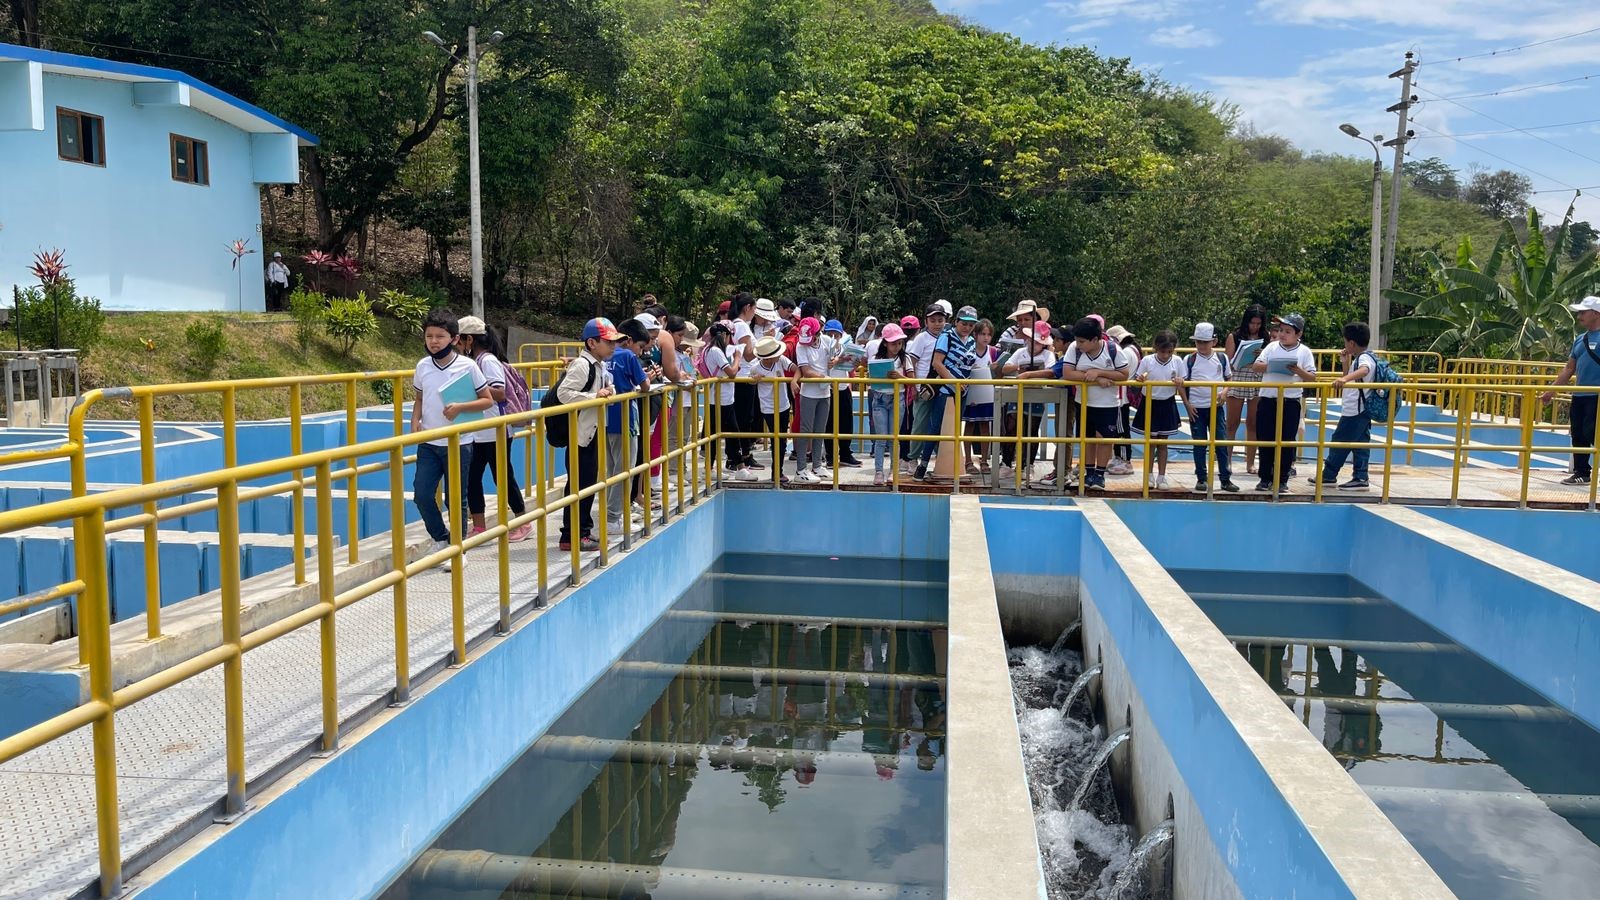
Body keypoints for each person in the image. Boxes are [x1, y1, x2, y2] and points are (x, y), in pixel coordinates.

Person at [411, 310, 495, 562]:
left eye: (440, 336)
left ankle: (457, 548)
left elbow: (486, 400)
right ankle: (441, 538)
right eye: (429, 336)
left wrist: (460, 407)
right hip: (429, 441)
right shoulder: (423, 366)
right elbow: (419, 397)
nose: (433, 341)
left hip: (459, 442)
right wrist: (415, 421)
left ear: (454, 339)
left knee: (455, 498)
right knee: (422, 494)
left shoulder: (467, 366)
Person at [454, 316, 532, 542]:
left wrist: (469, 391)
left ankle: (522, 522)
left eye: (460, 342)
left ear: (469, 340)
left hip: (494, 430)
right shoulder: (476, 361)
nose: (458, 347)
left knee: (503, 476)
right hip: (479, 430)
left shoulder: (487, 361)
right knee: (472, 477)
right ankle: (479, 526)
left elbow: (499, 392)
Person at [555, 318, 620, 551]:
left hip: (590, 432)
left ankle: (581, 531)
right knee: (579, 485)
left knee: (587, 483)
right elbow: (564, 394)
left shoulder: (598, 365)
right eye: (608, 342)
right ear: (592, 342)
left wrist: (606, 390)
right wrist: (595, 397)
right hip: (580, 435)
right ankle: (572, 535)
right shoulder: (583, 365)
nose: (613, 346)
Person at [1058, 317, 1131, 490]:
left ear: (1096, 340)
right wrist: (1097, 378)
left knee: (1104, 439)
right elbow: (1068, 373)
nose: (1078, 344)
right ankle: (1089, 472)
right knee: (1087, 438)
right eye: (1077, 340)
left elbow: (1123, 374)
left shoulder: (1113, 350)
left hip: (1108, 404)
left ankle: (1100, 474)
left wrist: (1098, 372)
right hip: (1084, 402)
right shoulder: (1074, 350)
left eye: (1082, 341)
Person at [1251, 313, 1316, 492]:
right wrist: (1272, 366)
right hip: (1268, 399)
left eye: (1288, 331)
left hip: (1290, 401)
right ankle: (1265, 478)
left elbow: (1311, 377)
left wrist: (1297, 370)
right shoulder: (1271, 348)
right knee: (1265, 439)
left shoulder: (1304, 352)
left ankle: (1282, 479)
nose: (1282, 334)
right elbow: (1256, 366)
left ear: (1298, 334)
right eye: (1281, 330)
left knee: (1286, 441)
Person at [1310, 322, 1378, 492]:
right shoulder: (1363, 357)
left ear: (1352, 343)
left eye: (1346, 342)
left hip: (1355, 410)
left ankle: (1329, 475)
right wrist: (1345, 363)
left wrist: (1344, 379)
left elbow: (1363, 371)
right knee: (1360, 445)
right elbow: (1352, 377)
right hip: (1360, 409)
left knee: (1339, 442)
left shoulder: (1364, 359)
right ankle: (1361, 477)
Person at [914, 305, 977, 481]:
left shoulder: (971, 341)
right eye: (964, 323)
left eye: (971, 325)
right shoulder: (946, 337)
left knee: (956, 428)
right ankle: (923, 465)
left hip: (963, 391)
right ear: (956, 322)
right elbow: (937, 363)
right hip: (945, 390)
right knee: (935, 428)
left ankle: (952, 464)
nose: (967, 327)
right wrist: (953, 382)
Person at [1543, 296, 1600, 485]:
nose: (1579, 316)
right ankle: (1582, 472)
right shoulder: (1580, 339)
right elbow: (1569, 368)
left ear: (1596, 314)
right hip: (1580, 395)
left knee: (1592, 432)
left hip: (1597, 396)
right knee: (1578, 434)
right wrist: (1551, 391)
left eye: (1583, 312)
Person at [1177, 322, 1238, 492]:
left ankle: (1225, 479)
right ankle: (1201, 478)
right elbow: (1181, 384)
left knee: (1221, 443)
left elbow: (1229, 379)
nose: (1202, 345)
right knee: (1200, 444)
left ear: (1214, 341)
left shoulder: (1221, 358)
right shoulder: (1189, 359)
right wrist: (1188, 405)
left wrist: (1225, 392)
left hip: (1216, 407)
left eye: (1205, 342)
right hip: (1197, 408)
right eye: (1198, 342)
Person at [604, 319, 652, 531]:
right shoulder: (628, 356)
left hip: (603, 419)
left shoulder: (603, 356)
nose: (640, 352)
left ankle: (615, 513)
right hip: (625, 420)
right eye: (641, 347)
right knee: (625, 470)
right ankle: (613, 518)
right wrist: (647, 378)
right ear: (629, 340)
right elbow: (645, 385)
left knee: (611, 469)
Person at [999, 320, 1058, 481]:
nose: (1034, 345)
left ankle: (1027, 465)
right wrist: (1020, 368)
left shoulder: (1048, 355)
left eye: (1038, 342)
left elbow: (1051, 372)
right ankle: (1006, 462)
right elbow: (1005, 367)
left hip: (1037, 395)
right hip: (1018, 394)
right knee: (1011, 426)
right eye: (1032, 340)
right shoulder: (1020, 352)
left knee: (1031, 430)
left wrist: (1033, 374)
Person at [1133, 330, 1183, 490]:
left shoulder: (1177, 361)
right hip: (1150, 403)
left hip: (1167, 403)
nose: (1166, 355)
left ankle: (1162, 476)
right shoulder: (1147, 360)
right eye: (1162, 351)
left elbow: (1183, 380)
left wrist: (1180, 381)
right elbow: (1138, 378)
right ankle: (1148, 475)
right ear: (1156, 348)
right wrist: (1140, 379)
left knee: (1163, 443)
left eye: (1169, 351)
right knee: (1150, 443)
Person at [864, 323, 912, 485]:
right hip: (879, 399)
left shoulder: (905, 358)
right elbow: (871, 379)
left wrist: (899, 378)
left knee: (894, 438)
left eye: (899, 343)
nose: (897, 346)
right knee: (881, 438)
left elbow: (913, 381)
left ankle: (893, 470)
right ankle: (879, 472)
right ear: (885, 343)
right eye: (894, 343)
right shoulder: (876, 359)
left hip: (897, 399)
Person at [906, 301, 950, 475]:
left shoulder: (947, 337)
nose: (937, 324)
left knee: (940, 423)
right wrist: (915, 385)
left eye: (940, 320)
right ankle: (912, 458)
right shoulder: (922, 338)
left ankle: (942, 458)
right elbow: (912, 362)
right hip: (925, 386)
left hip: (943, 386)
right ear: (926, 322)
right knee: (920, 423)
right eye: (933, 320)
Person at [701, 322, 749, 481]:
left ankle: (711, 467)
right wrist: (737, 358)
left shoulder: (708, 349)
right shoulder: (715, 351)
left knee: (716, 434)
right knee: (732, 433)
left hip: (720, 398)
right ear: (723, 335)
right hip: (721, 399)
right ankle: (740, 468)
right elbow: (732, 373)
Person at [751, 336, 802, 482]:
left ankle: (777, 471)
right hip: (768, 408)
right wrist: (755, 379)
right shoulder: (756, 367)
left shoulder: (781, 361)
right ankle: (776, 472)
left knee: (782, 439)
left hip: (783, 405)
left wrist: (793, 380)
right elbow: (750, 381)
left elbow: (796, 369)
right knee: (776, 438)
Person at [1226, 305, 1269, 475]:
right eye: (1252, 323)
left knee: (1253, 423)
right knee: (1232, 423)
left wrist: (1261, 354)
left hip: (1256, 379)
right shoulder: (1234, 336)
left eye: (1258, 324)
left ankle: (1250, 462)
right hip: (1238, 377)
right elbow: (1228, 361)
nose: (1255, 327)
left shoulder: (1265, 337)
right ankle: (1226, 460)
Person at [794, 317, 833, 480]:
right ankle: (801, 469)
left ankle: (817, 465)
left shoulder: (827, 341)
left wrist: (836, 361)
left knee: (820, 431)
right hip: (809, 394)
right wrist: (823, 377)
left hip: (825, 393)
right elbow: (806, 371)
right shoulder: (800, 346)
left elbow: (837, 358)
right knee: (806, 430)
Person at [822, 319, 863, 468]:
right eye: (830, 334)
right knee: (829, 423)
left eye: (836, 334)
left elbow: (850, 367)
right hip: (829, 388)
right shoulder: (823, 348)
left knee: (846, 422)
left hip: (843, 386)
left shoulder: (844, 348)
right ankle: (830, 456)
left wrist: (854, 361)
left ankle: (845, 453)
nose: (833, 337)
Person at [729, 294, 763, 471]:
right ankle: (743, 455)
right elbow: (748, 354)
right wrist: (765, 348)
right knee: (744, 419)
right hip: (743, 377)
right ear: (748, 307)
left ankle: (741, 455)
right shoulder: (741, 326)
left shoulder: (735, 324)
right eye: (754, 308)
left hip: (742, 377)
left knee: (743, 418)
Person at [963, 319, 999, 475]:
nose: (986, 337)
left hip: (987, 393)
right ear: (976, 335)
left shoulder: (993, 352)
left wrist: (996, 369)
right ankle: (968, 461)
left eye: (989, 334)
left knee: (985, 426)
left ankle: (984, 460)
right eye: (983, 334)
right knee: (969, 426)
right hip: (972, 393)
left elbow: (998, 374)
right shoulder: (968, 351)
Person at [1106, 325, 1140, 476]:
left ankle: (1124, 459)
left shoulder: (1125, 352)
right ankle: (1121, 458)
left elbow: (1119, 372)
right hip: (1123, 394)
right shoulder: (1134, 349)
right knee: (1121, 427)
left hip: (1121, 395)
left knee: (1121, 429)